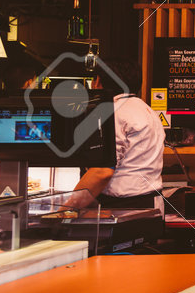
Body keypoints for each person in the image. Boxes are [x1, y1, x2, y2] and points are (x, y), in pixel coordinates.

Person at [61, 57, 166, 213]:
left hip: (124, 207)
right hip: (150, 203)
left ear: (99, 82)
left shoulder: (112, 113)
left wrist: (67, 208)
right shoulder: (147, 110)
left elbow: (101, 172)